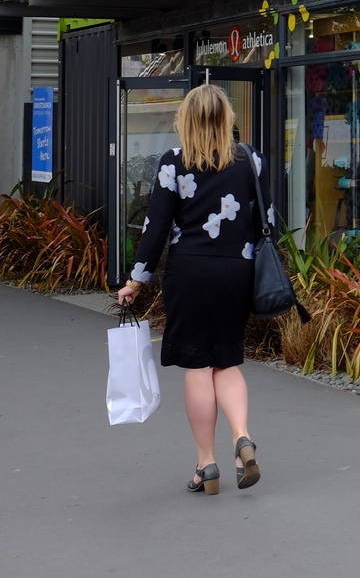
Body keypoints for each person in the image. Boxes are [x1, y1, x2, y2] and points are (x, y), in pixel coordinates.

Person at [117, 84, 269, 495]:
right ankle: (242, 438)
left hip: (190, 272)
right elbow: (267, 218)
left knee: (199, 367)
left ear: (185, 120)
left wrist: (136, 280)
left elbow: (156, 227)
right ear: (226, 118)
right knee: (227, 360)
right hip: (236, 271)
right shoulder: (251, 160)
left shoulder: (173, 162)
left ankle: (206, 463)